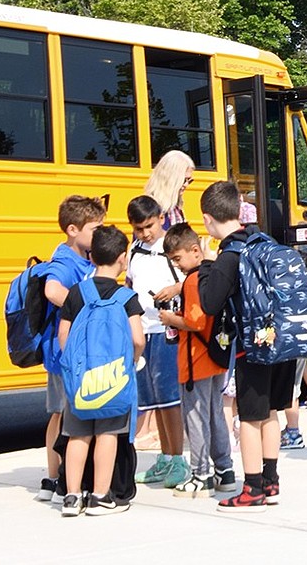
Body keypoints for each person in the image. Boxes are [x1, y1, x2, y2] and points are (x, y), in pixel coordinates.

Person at [198, 180, 296, 510]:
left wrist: (206, 264)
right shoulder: (263, 241)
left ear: (209, 219)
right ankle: (271, 481)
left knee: (250, 418)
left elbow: (210, 303)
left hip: (252, 346)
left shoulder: (229, 254)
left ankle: (251, 486)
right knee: (270, 413)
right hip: (281, 342)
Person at [57, 226, 145, 516]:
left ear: (92, 256)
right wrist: (132, 361)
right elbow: (137, 339)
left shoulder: (76, 293)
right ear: (123, 258)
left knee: (77, 435)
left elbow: (64, 334)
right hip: (114, 377)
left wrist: (74, 367)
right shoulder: (126, 297)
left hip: (80, 378)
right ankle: (99, 496)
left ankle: (71, 497)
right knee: (108, 433)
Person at [158, 223, 237, 498]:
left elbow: (194, 321)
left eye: (178, 258)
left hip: (195, 360)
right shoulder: (212, 274)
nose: (177, 265)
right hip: (216, 356)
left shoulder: (192, 281)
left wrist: (170, 319)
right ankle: (224, 470)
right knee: (215, 414)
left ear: (194, 250)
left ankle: (199, 473)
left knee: (195, 416)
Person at [36, 195, 106, 504]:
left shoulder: (81, 256)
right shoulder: (66, 261)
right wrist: (86, 309)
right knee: (64, 414)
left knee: (61, 414)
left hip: (66, 350)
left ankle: (54, 477)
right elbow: (52, 290)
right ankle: (57, 478)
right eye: (95, 228)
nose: (99, 234)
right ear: (73, 229)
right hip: (64, 352)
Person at [125, 195, 188, 489]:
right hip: (142, 330)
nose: (144, 233)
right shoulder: (135, 249)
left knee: (170, 399)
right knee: (152, 401)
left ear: (160, 218)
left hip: (167, 331)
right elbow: (128, 283)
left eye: (148, 226)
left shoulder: (171, 246)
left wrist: (173, 288)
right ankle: (165, 457)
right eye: (138, 228)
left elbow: (196, 276)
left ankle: (178, 459)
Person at [144, 149, 196, 229]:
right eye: (183, 180)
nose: (186, 184)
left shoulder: (174, 207)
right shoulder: (150, 209)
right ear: (171, 178)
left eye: (189, 180)